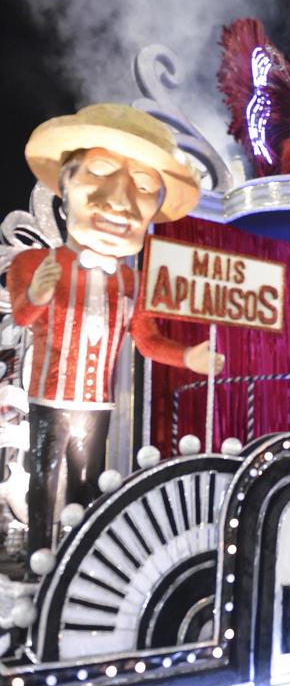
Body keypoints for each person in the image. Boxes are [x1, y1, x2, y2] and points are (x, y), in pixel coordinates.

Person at [8, 103, 225, 562]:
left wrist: (188, 358)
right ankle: (36, 557)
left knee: (87, 485)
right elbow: (24, 318)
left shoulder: (132, 282)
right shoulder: (33, 263)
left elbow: (146, 340)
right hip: (50, 400)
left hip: (97, 404)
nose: (120, 201)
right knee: (43, 481)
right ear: (64, 187)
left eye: (145, 187)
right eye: (101, 171)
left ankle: (80, 562)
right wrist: (39, 297)